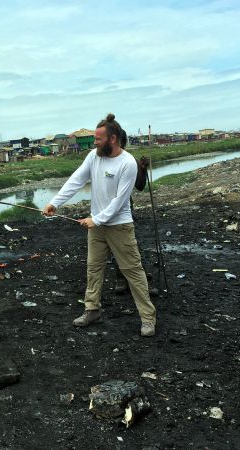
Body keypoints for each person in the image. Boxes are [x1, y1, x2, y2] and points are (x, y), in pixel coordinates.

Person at [42, 113, 157, 337]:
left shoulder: (128, 163)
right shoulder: (94, 156)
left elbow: (120, 201)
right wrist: (54, 203)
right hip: (96, 227)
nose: (94, 142)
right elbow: (76, 179)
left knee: (133, 272)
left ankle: (148, 318)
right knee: (93, 268)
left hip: (120, 226)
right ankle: (92, 309)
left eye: (98, 139)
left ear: (112, 139)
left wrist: (96, 219)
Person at [113, 128, 149, 294]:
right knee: (114, 246)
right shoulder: (102, 159)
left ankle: (131, 278)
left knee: (128, 244)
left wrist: (143, 169)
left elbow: (140, 186)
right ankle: (121, 278)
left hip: (125, 208)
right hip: (105, 209)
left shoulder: (130, 160)